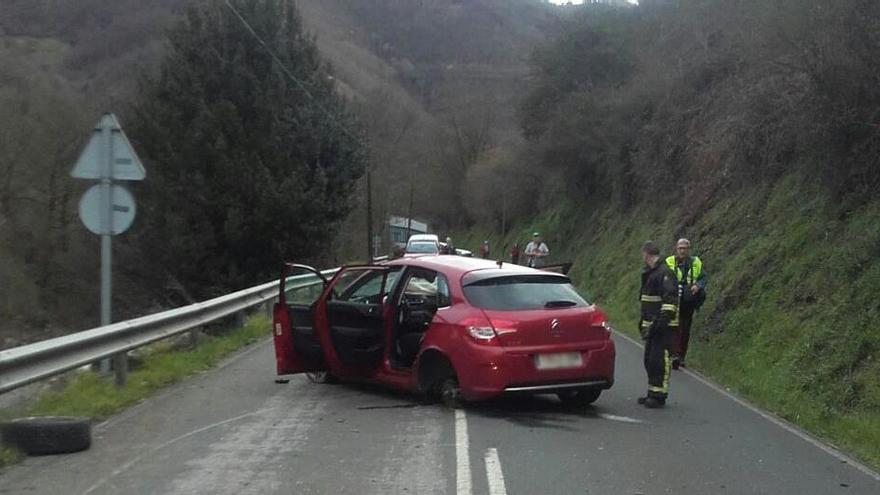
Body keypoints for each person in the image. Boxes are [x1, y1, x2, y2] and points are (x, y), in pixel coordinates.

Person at [637, 241, 679, 409]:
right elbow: (648, 301)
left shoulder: (665, 273)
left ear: (646, 253)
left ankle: (659, 395)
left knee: (660, 361)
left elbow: (669, 302)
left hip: (663, 327)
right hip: (652, 326)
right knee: (650, 360)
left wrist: (660, 323)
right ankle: (652, 392)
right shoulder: (652, 273)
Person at [666, 238, 706, 369]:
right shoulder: (670, 261)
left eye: (685, 248)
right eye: (680, 248)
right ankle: (673, 354)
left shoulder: (695, 262)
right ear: (676, 249)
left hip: (688, 299)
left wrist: (698, 286)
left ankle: (681, 356)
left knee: (685, 328)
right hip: (673, 298)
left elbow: (703, 277)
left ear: (688, 250)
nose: (682, 251)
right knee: (673, 326)